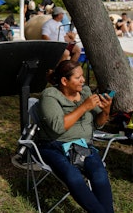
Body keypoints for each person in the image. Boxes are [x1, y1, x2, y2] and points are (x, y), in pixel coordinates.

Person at [36, 60, 114, 213]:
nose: (83, 80)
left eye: (82, 76)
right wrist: (84, 107)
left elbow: (98, 123)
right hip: (54, 146)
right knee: (73, 176)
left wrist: (106, 110)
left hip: (83, 146)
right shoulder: (50, 96)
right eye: (78, 78)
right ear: (64, 81)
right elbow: (58, 127)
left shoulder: (85, 92)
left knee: (99, 174)